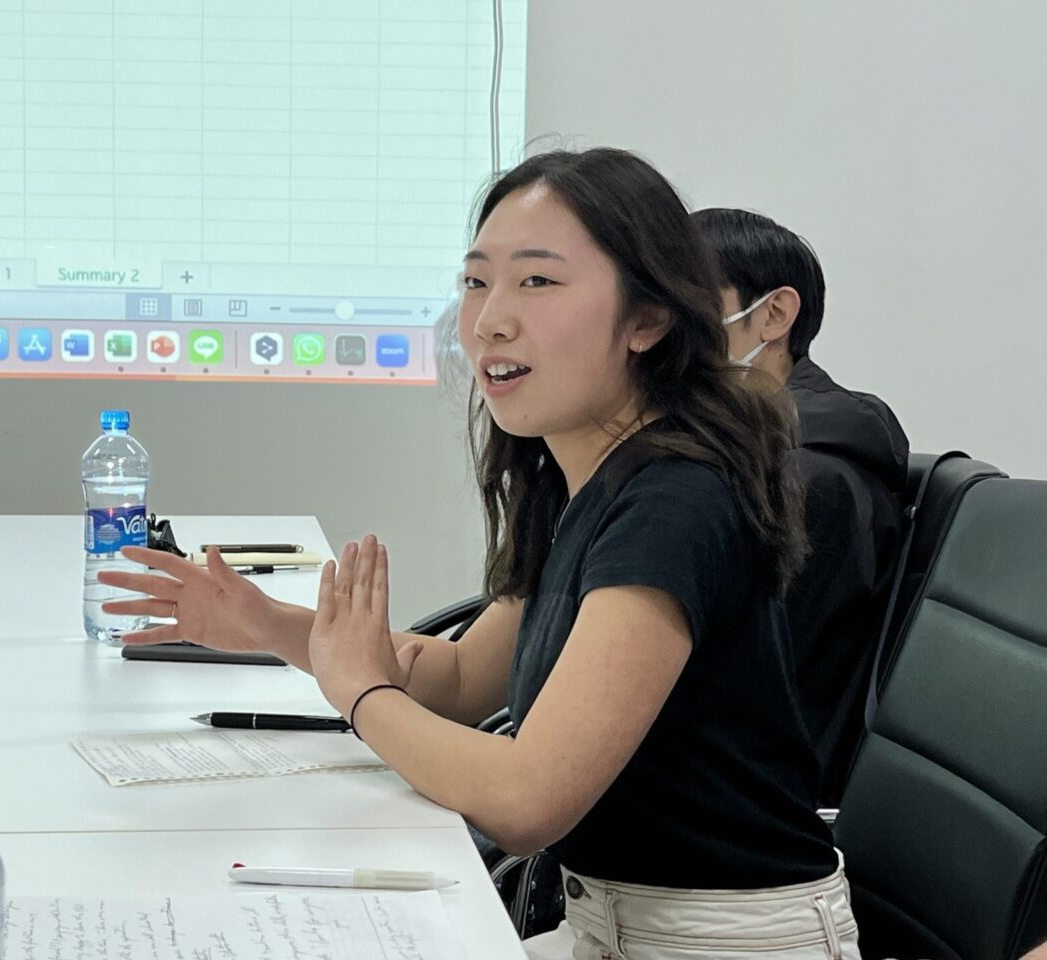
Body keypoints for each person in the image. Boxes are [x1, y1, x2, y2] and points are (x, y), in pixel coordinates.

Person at [99, 149, 860, 959]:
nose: (490, 319)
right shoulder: (581, 481)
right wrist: (265, 624)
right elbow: (462, 681)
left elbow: (528, 800)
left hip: (729, 945)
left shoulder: (676, 502)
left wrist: (361, 694)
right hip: (613, 926)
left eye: (537, 281)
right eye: (475, 281)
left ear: (648, 320)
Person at [692, 208, 910, 806]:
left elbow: (748, 686)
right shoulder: (741, 451)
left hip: (746, 801)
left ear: (774, 314)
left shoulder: (812, 479)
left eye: (689, 301)